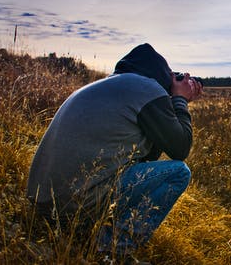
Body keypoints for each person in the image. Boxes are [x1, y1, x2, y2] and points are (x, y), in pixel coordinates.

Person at [26, 43, 203, 261]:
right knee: (178, 172)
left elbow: (143, 159)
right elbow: (180, 148)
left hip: (41, 205)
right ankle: (111, 250)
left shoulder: (105, 86)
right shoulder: (148, 89)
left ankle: (93, 235)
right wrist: (180, 100)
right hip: (72, 206)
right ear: (162, 77)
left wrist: (169, 103)